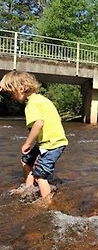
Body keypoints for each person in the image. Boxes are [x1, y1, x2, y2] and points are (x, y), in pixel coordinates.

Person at [0, 71, 68, 205]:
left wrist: (27, 143)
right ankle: (29, 188)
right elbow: (58, 118)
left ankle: (47, 204)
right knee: (26, 160)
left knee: (40, 176)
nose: (11, 97)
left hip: (50, 145)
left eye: (11, 93)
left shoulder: (31, 105)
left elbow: (39, 123)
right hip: (51, 141)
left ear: (20, 89)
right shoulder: (43, 100)